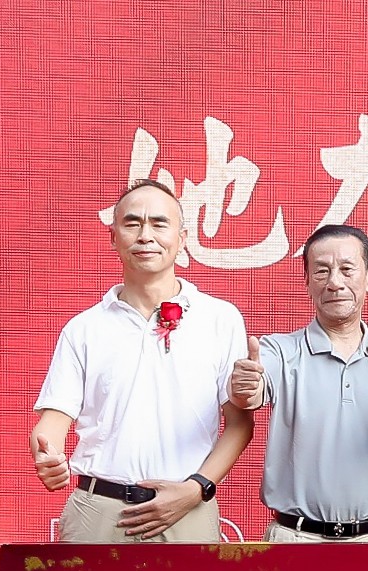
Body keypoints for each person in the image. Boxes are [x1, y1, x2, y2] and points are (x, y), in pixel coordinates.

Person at [31, 179, 251, 543]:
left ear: (182, 238)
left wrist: (197, 488)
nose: (146, 235)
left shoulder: (220, 319)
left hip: (188, 509)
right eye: (132, 223)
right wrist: (48, 456)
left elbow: (240, 424)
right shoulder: (84, 328)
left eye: (159, 224)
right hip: (97, 511)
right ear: (113, 237)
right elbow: (52, 422)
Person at [226, 223, 368, 542]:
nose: (335, 283)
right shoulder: (279, 351)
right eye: (321, 271)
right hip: (296, 540)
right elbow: (251, 391)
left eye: (347, 269)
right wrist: (245, 388)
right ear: (307, 280)